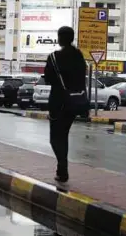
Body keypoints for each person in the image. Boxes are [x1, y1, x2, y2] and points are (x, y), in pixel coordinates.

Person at [44, 26, 87, 183]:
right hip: (75, 101)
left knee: (55, 138)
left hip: (58, 102)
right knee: (64, 135)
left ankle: (62, 168)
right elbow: (83, 79)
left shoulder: (54, 57)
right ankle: (62, 169)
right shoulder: (79, 56)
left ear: (60, 38)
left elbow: (48, 79)